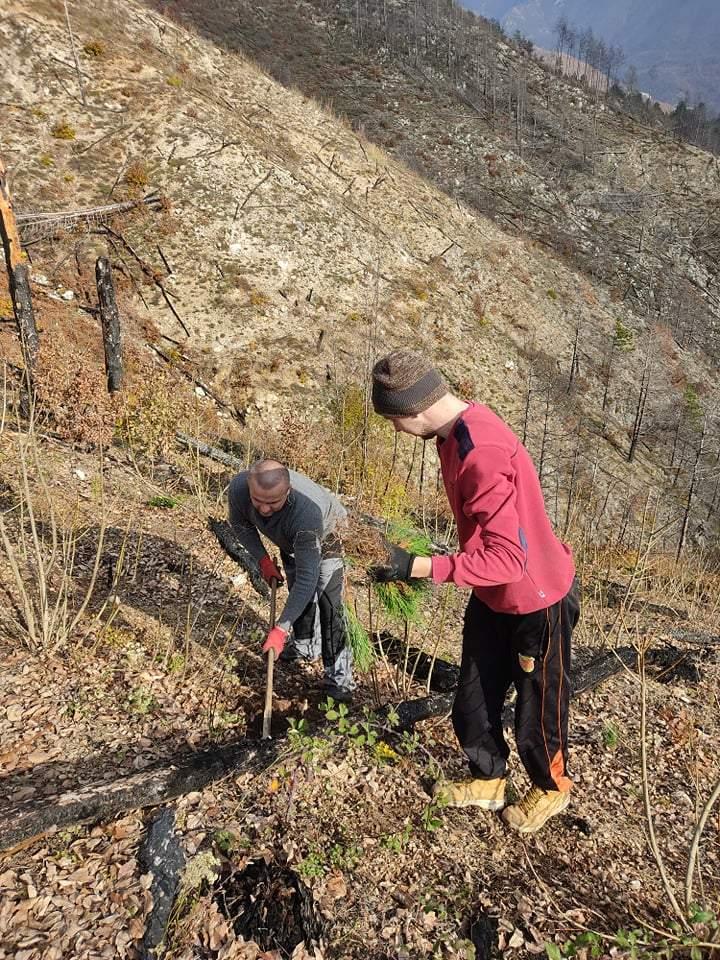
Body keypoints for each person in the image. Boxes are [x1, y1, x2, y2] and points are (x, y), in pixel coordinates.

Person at [370, 350, 580, 834]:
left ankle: (552, 789)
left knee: (537, 705)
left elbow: (510, 558)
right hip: (494, 595)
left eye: (393, 422)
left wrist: (418, 567)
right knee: (474, 695)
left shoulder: (478, 452)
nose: (395, 431)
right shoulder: (455, 429)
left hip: (537, 599)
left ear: (412, 412)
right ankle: (488, 779)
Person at [228, 459, 354, 702]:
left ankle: (340, 680)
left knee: (329, 602)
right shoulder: (239, 488)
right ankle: (306, 647)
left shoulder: (306, 514)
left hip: (329, 534)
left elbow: (310, 578)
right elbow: (240, 524)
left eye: (273, 502)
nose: (264, 510)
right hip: (289, 536)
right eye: (258, 501)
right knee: (297, 588)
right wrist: (263, 560)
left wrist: (280, 629)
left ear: (288, 492)